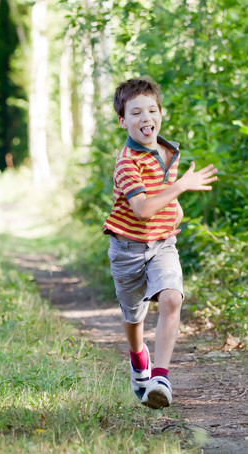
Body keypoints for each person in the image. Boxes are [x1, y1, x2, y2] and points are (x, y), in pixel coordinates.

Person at [103, 77, 218, 409]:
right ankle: (139, 357)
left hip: (163, 245)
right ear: (123, 121)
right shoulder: (127, 162)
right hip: (127, 249)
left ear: (161, 113)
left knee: (171, 298)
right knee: (133, 315)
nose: (145, 118)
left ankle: (161, 377)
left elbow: (165, 196)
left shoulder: (170, 152)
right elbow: (141, 209)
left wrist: (175, 211)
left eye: (151, 110)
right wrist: (181, 188)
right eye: (135, 112)